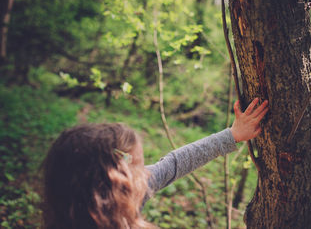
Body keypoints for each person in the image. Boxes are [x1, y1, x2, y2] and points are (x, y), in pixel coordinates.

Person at [41, 98, 268, 229]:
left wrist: (233, 134)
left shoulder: (132, 191)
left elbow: (175, 163)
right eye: (138, 168)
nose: (149, 175)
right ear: (114, 187)